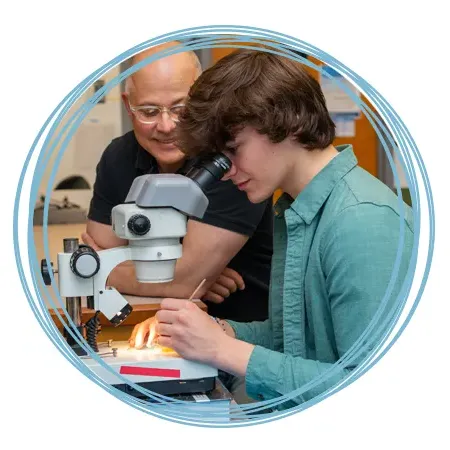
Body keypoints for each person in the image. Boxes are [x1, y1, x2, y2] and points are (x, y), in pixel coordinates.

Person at [145, 49, 414, 410]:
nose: (224, 172)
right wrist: (221, 331)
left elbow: (371, 390)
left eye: (233, 149)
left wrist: (223, 350)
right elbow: (298, 338)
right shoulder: (299, 209)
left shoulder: (361, 220)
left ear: (289, 125)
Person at [83, 43, 273, 373]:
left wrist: (101, 268)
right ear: (129, 106)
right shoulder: (118, 158)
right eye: (150, 111)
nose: (167, 126)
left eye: (181, 109)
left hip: (244, 345)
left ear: (201, 102)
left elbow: (97, 266)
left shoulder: (231, 161)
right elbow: (97, 255)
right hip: (157, 330)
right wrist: (183, 273)